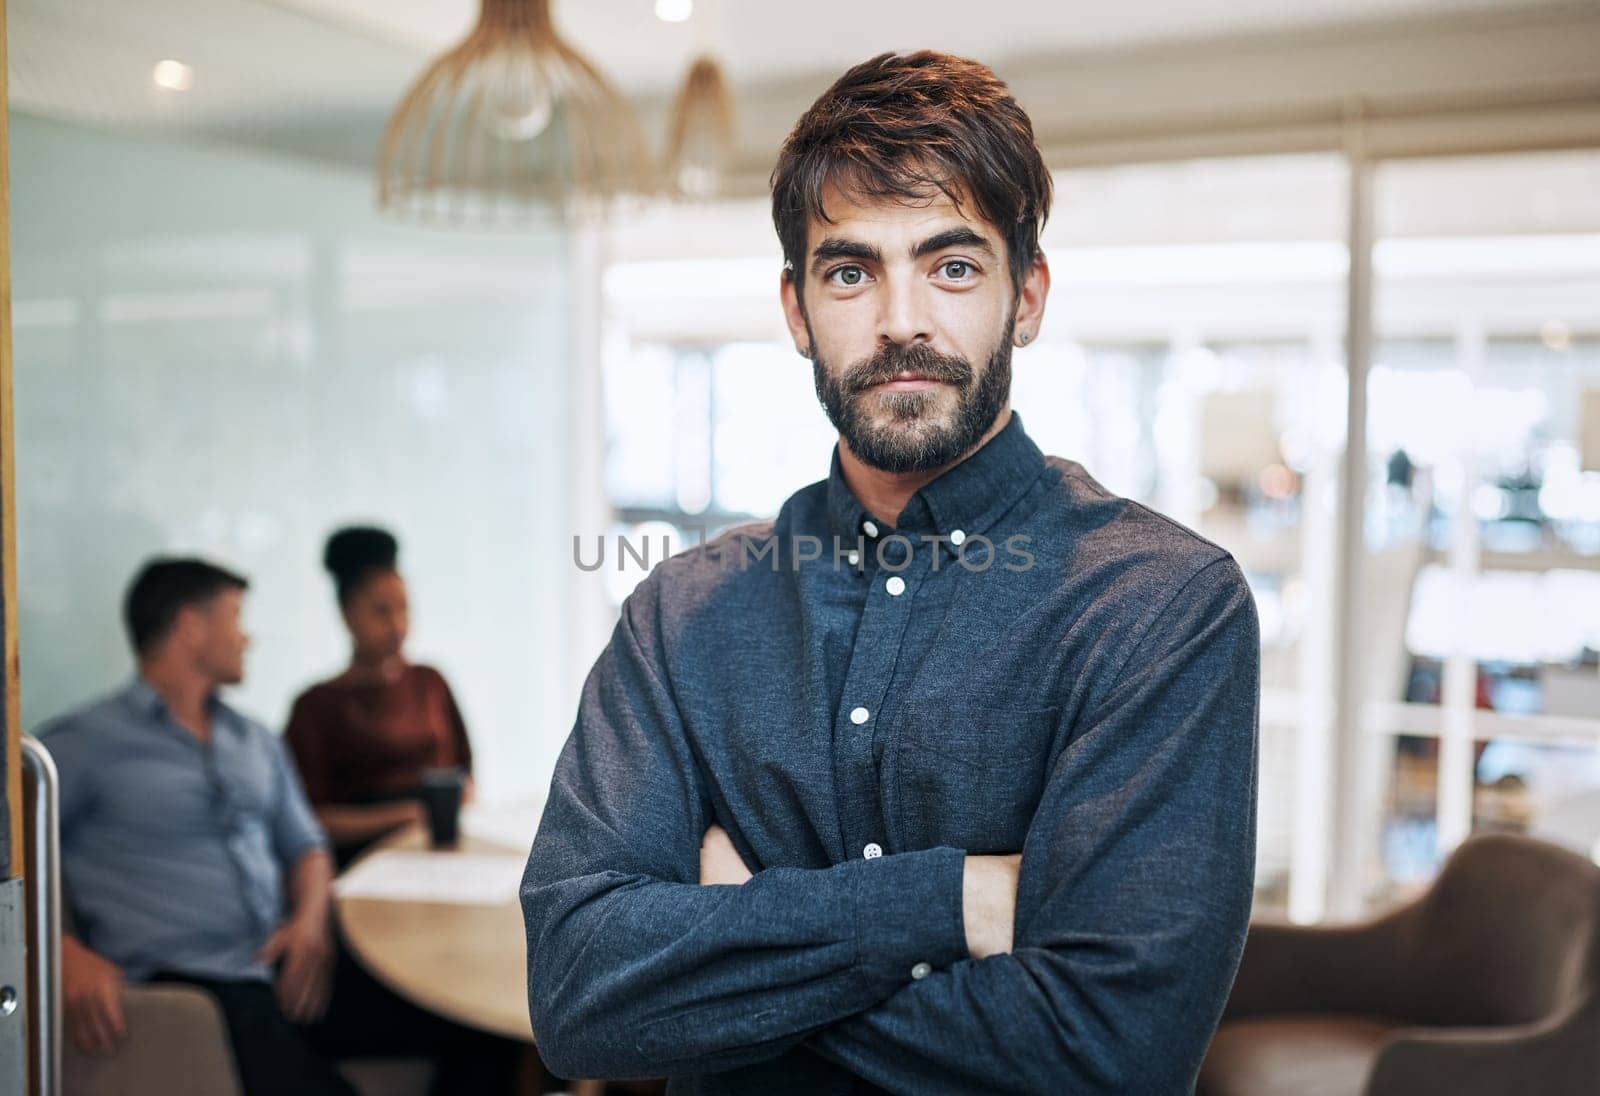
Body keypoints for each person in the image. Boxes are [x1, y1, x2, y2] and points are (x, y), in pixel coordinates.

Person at [522, 51, 1260, 1095]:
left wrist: (729, 957)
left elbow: (1110, 1053)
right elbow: (577, 995)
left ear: (1027, 297)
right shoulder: (680, 616)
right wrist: (953, 902)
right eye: (849, 270)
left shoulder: (1159, 606)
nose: (900, 319)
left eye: (952, 266)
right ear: (795, 310)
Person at [44, 558, 357, 1096]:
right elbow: (13, 858)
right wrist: (62, 949)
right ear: (191, 626)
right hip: (186, 976)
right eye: (236, 618)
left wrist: (310, 924)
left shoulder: (256, 739)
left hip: (279, 963)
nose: (247, 637)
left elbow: (307, 846)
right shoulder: (82, 744)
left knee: (460, 1024)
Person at [286, 526, 474, 869]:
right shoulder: (315, 707)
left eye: (404, 609)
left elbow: (466, 776)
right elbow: (306, 818)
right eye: (382, 611)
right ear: (347, 615)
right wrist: (403, 818)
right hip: (363, 865)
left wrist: (452, 807)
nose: (398, 625)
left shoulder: (430, 682)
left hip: (442, 858)